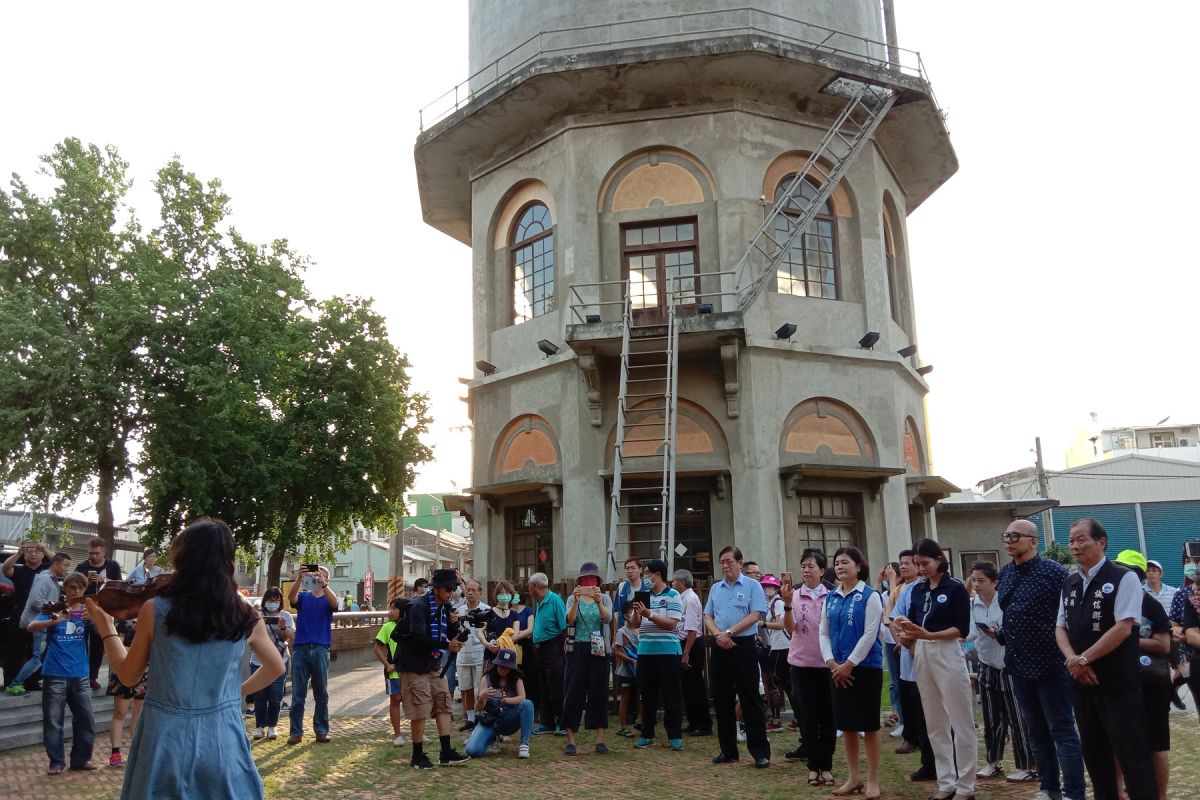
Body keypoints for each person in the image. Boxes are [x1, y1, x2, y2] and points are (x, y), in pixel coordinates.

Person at [86, 517, 285, 799]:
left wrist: (106, 628)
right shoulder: (245, 615)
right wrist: (231, 694)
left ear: (184, 558)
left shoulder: (155, 609)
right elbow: (276, 666)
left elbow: (129, 676)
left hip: (164, 737)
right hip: (222, 737)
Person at [1055, 518, 1158, 800]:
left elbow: (1124, 626)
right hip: (1081, 681)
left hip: (1116, 682)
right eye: (1071, 540)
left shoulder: (1122, 577)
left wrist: (1084, 659)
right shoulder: (1071, 582)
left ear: (1101, 542)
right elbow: (1060, 627)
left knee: (1131, 753)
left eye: (1081, 539)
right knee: (1095, 752)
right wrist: (1073, 661)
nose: (1074, 546)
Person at [997, 518, 1086, 800]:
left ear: (1033, 541)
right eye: (1006, 536)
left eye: (1015, 536)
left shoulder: (1055, 573)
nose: (1009, 541)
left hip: (1052, 664)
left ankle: (1074, 791)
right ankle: (1049, 788)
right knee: (1035, 731)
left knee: (1062, 730)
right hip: (1019, 664)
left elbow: (1071, 616)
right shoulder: (1006, 573)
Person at [895, 538, 976, 800]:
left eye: (925, 563)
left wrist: (927, 635)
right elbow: (915, 623)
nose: (921, 569)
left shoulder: (954, 589)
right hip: (922, 652)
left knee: (960, 719)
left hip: (947, 649)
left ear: (939, 559)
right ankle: (946, 783)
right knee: (935, 721)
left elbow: (961, 629)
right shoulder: (917, 590)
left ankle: (966, 786)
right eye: (917, 564)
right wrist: (906, 632)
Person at [820, 546, 883, 800]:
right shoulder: (831, 597)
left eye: (845, 562)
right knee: (846, 726)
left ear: (859, 566)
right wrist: (831, 662)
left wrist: (850, 663)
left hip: (865, 669)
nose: (840, 566)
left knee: (869, 725)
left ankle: (872, 780)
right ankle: (853, 777)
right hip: (837, 670)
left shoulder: (870, 596)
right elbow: (823, 632)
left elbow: (870, 634)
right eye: (837, 563)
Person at [393, 568, 471, 769]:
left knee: (443, 702)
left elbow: (451, 632)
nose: (451, 592)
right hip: (414, 663)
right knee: (419, 708)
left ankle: (446, 752)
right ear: (436, 589)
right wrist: (447, 646)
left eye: (453, 588)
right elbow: (418, 639)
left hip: (433, 663)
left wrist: (458, 625)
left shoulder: (445, 607)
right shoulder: (418, 606)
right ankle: (417, 756)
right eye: (448, 588)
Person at [1112, 550, 1172, 800]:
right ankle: (1118, 791)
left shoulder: (1150, 604)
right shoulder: (1110, 603)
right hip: (1119, 681)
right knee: (1117, 740)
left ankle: (1159, 796)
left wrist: (1126, 637)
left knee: (1157, 743)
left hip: (1152, 683)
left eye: (1125, 572)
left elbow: (1164, 645)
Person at [967, 560, 1034, 782]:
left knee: (1018, 718)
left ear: (995, 583)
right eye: (973, 580)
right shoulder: (972, 605)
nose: (976, 585)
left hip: (1009, 667)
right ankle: (992, 762)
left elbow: (1015, 631)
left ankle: (1028, 765)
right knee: (992, 718)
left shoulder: (1004, 603)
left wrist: (999, 633)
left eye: (981, 580)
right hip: (986, 665)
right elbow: (967, 634)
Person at [704, 545, 770, 768]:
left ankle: (759, 751)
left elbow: (754, 615)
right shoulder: (716, 588)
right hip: (720, 644)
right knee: (722, 700)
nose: (725, 566)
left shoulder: (752, 586)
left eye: (729, 561)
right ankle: (728, 750)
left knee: (750, 699)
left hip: (742, 645)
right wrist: (718, 635)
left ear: (740, 563)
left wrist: (730, 632)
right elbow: (708, 616)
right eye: (722, 561)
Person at [29, 572, 95, 774]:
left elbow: (104, 631)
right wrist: (55, 621)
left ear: (84, 590)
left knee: (86, 719)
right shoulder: (54, 608)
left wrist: (94, 616)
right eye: (71, 587)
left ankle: (81, 759)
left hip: (80, 673)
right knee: (53, 720)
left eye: (79, 588)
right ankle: (56, 762)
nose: (75, 591)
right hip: (55, 673)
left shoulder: (87, 611)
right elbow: (31, 626)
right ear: (64, 589)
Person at [783, 548, 835, 786]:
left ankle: (827, 766)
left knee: (828, 718)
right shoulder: (793, 595)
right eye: (803, 565)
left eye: (811, 566)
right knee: (808, 717)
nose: (806, 570)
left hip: (828, 664)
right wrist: (785, 606)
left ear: (822, 570)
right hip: (801, 664)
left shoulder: (833, 595)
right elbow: (789, 628)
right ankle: (814, 767)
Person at [634, 558, 685, 751]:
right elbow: (635, 624)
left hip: (668, 652)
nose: (646, 577)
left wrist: (650, 614)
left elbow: (672, 623)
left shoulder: (673, 595)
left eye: (648, 573)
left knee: (671, 694)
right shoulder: (643, 595)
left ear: (658, 574)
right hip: (646, 651)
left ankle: (674, 735)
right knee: (647, 694)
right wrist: (637, 613)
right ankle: (647, 734)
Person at [562, 561, 612, 754]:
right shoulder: (571, 599)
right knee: (573, 690)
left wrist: (599, 601)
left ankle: (600, 738)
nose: (589, 582)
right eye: (585, 579)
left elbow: (607, 618)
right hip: (577, 647)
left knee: (598, 691)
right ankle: (571, 739)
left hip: (598, 647)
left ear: (597, 581)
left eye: (592, 579)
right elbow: (570, 620)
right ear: (580, 582)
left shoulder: (605, 598)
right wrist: (575, 601)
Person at [286, 564, 337, 744]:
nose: (317, 578)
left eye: (321, 576)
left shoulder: (328, 597)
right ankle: (296, 731)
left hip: (321, 649)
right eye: (315, 576)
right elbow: (291, 598)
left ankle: (321, 730)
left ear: (327, 580)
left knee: (321, 693)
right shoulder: (304, 597)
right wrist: (299, 578)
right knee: (298, 694)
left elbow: (335, 604)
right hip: (301, 648)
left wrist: (324, 585)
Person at [9, 551, 73, 695]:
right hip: (38, 623)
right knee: (37, 658)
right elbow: (36, 602)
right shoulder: (45, 579)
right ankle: (15, 683)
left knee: (42, 656)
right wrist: (57, 609)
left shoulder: (54, 579)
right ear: (55, 564)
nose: (67, 569)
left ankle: (30, 682)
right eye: (65, 565)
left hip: (44, 623)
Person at [464, 648, 534, 759]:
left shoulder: (516, 679)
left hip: (508, 718)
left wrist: (507, 700)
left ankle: (524, 743)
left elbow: (522, 698)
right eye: (500, 666)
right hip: (490, 720)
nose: (503, 669)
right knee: (472, 751)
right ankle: (488, 737)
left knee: (528, 704)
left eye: (506, 668)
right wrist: (481, 698)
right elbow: (478, 708)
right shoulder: (487, 678)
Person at [3, 540, 53, 691]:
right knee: (15, 649)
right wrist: (18, 552)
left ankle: (32, 681)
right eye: (29, 551)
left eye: (36, 551)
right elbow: (6, 569)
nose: (33, 553)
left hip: (41, 616)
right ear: (24, 556)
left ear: (42, 554)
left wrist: (44, 547)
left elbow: (60, 561)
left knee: (36, 650)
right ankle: (10, 680)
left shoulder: (47, 571)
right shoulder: (19, 570)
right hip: (20, 615)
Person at [75, 537, 123, 688]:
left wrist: (104, 579)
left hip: (103, 610)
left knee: (98, 645)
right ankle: (79, 675)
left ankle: (92, 677)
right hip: (84, 609)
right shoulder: (81, 566)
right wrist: (86, 583)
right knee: (80, 643)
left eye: (96, 553)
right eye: (90, 553)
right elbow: (72, 587)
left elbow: (120, 585)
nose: (93, 556)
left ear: (104, 552)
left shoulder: (113, 566)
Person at [672, 568, 711, 736]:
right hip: (684, 642)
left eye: (674, 581)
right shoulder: (682, 598)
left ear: (681, 583)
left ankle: (703, 724)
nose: (672, 584)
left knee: (695, 685)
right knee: (687, 686)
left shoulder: (691, 599)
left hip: (691, 644)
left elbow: (692, 630)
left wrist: (686, 653)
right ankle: (693, 720)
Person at [251, 586, 293, 741]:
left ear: (280, 601)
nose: (272, 603)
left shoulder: (285, 615)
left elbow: (290, 636)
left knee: (276, 696)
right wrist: (256, 619)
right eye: (270, 600)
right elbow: (249, 634)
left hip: (280, 661)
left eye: (276, 601)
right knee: (260, 696)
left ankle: (272, 726)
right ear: (265, 600)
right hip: (258, 661)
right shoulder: (257, 615)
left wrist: (282, 627)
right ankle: (259, 727)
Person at [105, 616, 147, 767]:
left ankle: (136, 752)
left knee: (138, 713)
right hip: (123, 671)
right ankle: (115, 753)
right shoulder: (123, 622)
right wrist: (139, 653)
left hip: (144, 672)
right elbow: (116, 647)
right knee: (120, 713)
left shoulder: (149, 618)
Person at [528, 571, 567, 735]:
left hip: (553, 647)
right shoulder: (538, 601)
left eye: (530, 586)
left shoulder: (555, 600)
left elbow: (564, 626)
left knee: (555, 686)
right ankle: (547, 722)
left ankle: (562, 722)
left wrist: (560, 648)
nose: (529, 589)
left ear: (535, 586)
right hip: (539, 648)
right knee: (543, 686)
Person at [454, 578, 491, 732]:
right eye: (468, 589)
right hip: (462, 653)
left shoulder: (487, 610)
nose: (470, 592)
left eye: (474, 590)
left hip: (479, 652)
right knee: (465, 687)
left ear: (480, 593)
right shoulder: (459, 611)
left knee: (479, 689)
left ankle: (480, 716)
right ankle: (470, 719)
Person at [375, 594, 408, 747]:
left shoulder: (411, 625)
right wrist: (387, 665)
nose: (391, 611)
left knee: (414, 700)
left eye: (395, 609)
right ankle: (398, 734)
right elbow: (378, 647)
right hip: (393, 671)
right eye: (390, 608)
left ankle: (418, 732)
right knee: (395, 700)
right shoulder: (387, 627)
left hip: (409, 670)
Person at [760, 574, 791, 730]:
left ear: (777, 588)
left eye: (771, 586)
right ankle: (795, 718)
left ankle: (776, 720)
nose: (767, 589)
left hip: (781, 646)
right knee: (785, 683)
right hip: (778, 645)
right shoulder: (771, 603)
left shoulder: (777, 602)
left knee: (776, 682)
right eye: (765, 586)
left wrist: (763, 624)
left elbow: (779, 625)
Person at [878, 561, 905, 735]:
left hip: (902, 639)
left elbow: (895, 607)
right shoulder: (884, 594)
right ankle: (900, 717)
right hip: (889, 641)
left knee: (904, 681)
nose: (888, 579)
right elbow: (875, 596)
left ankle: (906, 720)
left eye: (891, 575)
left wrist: (893, 579)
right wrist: (879, 580)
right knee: (895, 681)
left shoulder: (902, 590)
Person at [614, 601, 640, 737]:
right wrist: (631, 660)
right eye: (632, 612)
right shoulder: (622, 632)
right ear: (625, 615)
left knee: (640, 696)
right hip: (625, 671)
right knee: (625, 698)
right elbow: (617, 651)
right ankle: (622, 727)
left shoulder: (640, 630)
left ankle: (641, 723)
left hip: (638, 670)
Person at [612, 556, 649, 640]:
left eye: (633, 568)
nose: (630, 571)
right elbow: (616, 612)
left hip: (642, 633)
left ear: (640, 569)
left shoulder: (647, 588)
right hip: (623, 631)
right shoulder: (622, 587)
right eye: (627, 568)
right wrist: (615, 636)